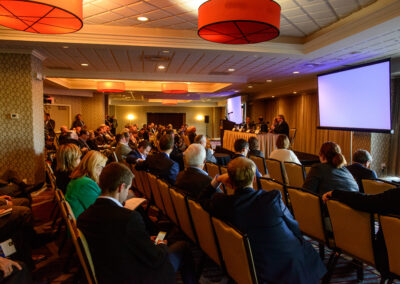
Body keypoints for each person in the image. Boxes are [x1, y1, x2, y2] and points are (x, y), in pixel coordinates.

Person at [199, 157, 326, 283]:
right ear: (254, 178)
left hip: (257, 267)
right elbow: (293, 225)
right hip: (292, 264)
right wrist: (300, 240)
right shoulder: (272, 197)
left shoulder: (223, 203)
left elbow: (202, 198)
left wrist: (217, 179)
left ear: (229, 181)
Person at [77, 162, 196, 284]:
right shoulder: (129, 218)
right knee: (182, 246)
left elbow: (112, 239)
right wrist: (161, 245)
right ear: (121, 187)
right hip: (136, 276)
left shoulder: (83, 218)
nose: (128, 193)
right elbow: (155, 258)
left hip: (107, 274)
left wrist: (143, 240)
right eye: (128, 188)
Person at [65, 151, 107, 218]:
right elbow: (101, 210)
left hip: (81, 218)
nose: (103, 171)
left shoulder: (80, 178)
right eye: (103, 168)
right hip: (83, 224)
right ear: (95, 166)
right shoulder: (86, 184)